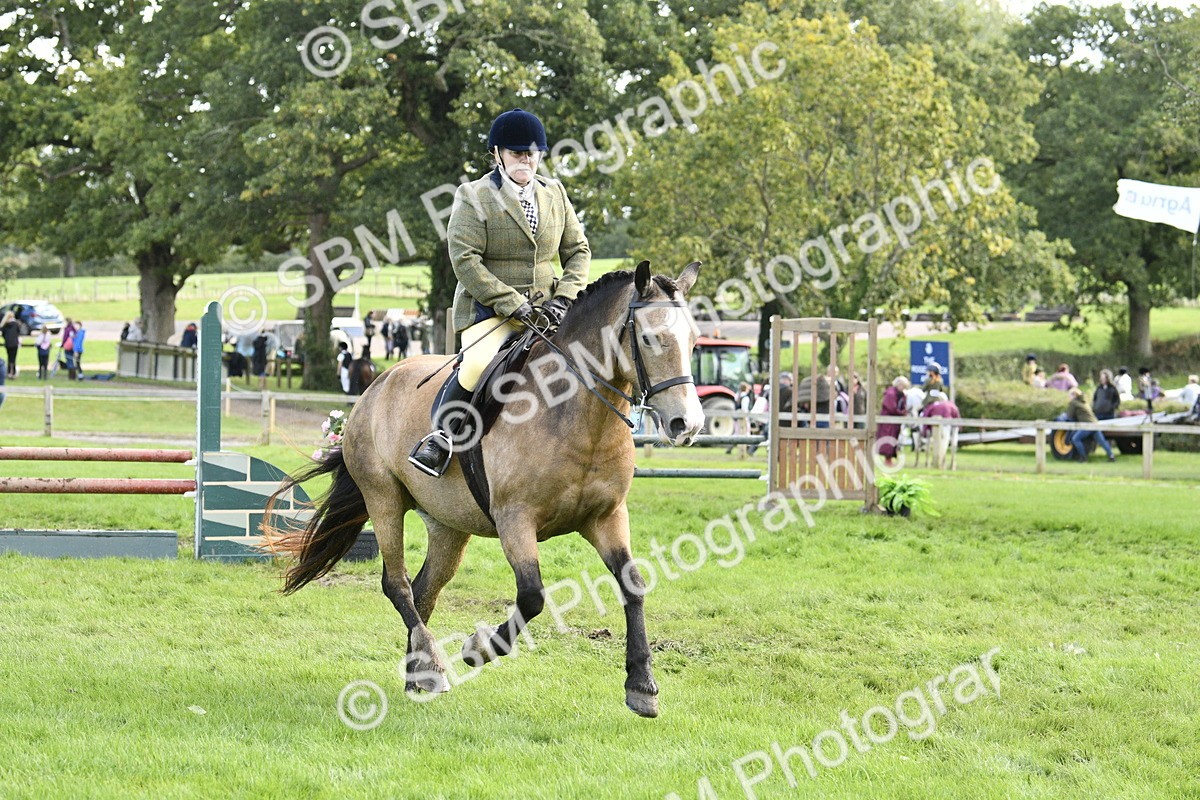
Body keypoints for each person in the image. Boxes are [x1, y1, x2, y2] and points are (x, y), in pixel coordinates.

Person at [409, 108, 590, 477]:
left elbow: (578, 251)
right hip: (488, 311)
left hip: (548, 311)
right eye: (516, 153)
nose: (525, 160)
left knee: (590, 357)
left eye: (531, 153)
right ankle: (441, 438)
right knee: (477, 365)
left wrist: (564, 297)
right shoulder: (473, 195)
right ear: (497, 154)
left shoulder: (555, 193)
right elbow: (465, 259)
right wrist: (512, 303)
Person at [1066, 387, 1114, 462]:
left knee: (1075, 439)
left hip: (1088, 425)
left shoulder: (1073, 403)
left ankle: (1083, 457)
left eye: (1070, 395)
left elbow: (1070, 416)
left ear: (1074, 395)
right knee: (1102, 441)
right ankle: (1111, 456)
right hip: (1095, 423)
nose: (1069, 397)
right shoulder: (1084, 401)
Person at [920, 389, 961, 467]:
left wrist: (925, 430)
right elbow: (957, 417)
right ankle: (941, 461)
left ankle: (937, 461)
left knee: (936, 443)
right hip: (946, 425)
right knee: (944, 442)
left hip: (935, 426)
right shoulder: (951, 405)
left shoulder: (933, 405)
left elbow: (926, 416)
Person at [878, 377, 909, 464]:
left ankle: (889, 459)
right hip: (888, 421)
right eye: (903, 386)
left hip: (895, 422)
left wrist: (904, 411)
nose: (903, 388)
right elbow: (891, 408)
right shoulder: (891, 394)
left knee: (893, 440)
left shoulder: (901, 394)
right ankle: (887, 460)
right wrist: (901, 413)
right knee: (888, 440)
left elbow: (902, 405)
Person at [1, 311, 20, 378]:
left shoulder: (5, 325)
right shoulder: (16, 324)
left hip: (8, 343)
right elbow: (18, 332)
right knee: (13, 358)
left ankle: (9, 372)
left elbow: (3, 334)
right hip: (14, 343)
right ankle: (13, 372)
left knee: (9, 357)